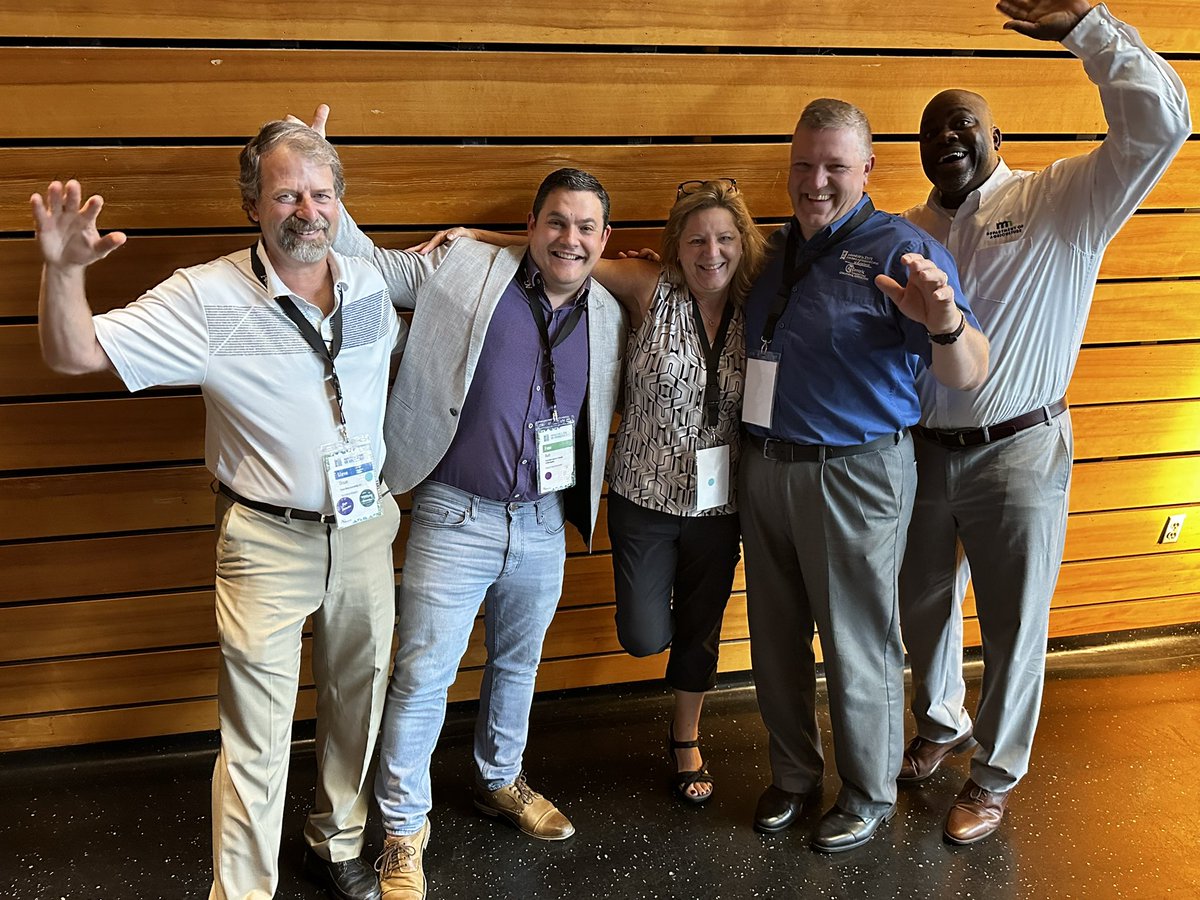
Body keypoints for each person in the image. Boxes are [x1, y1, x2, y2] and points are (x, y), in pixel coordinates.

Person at [32, 121, 403, 900]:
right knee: (255, 739)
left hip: (366, 526)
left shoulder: (369, 283)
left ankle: (334, 845)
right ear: (251, 205)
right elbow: (73, 354)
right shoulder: (206, 296)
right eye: (286, 194)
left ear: (342, 202)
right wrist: (63, 270)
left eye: (321, 192)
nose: (307, 210)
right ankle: (242, 893)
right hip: (267, 539)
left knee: (358, 699)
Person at [896, 0, 1191, 845]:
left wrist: (1087, 28)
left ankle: (993, 774)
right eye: (931, 131)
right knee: (922, 606)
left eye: (963, 124)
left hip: (1020, 449)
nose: (947, 137)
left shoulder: (1065, 199)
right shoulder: (908, 230)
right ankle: (942, 721)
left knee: (1015, 618)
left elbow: (1163, 124)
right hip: (922, 454)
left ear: (998, 137)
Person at [322, 149, 625, 897]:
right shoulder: (464, 269)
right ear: (530, 225)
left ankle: (501, 778)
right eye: (556, 221)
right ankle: (400, 831)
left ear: (605, 238)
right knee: (423, 676)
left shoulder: (611, 314)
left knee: (518, 666)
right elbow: (366, 264)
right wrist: (322, 184)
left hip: (545, 522)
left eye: (586, 227)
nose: (570, 239)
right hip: (454, 516)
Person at [422, 179, 768, 804]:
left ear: (742, 243)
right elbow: (563, 252)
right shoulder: (646, 285)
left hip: (723, 502)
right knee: (643, 634)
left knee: (702, 631)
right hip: (642, 493)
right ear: (675, 247)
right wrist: (479, 239)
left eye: (723, 239)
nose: (710, 253)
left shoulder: (759, 300)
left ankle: (685, 737)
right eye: (695, 240)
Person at [739, 98, 990, 852]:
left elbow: (968, 368)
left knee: (856, 641)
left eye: (835, 167)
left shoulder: (900, 250)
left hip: (855, 473)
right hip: (767, 465)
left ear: (868, 169)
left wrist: (942, 319)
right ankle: (792, 776)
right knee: (775, 637)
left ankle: (869, 791)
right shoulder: (777, 247)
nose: (816, 180)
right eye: (804, 164)